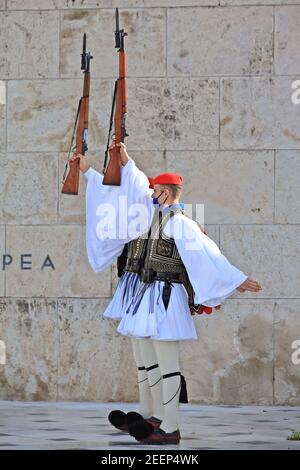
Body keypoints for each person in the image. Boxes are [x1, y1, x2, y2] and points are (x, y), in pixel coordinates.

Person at [70, 145, 262, 445]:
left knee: (166, 364)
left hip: (164, 298)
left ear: (166, 193)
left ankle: (170, 427)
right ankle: (151, 415)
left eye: (155, 191)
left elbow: (206, 255)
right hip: (141, 298)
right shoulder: (142, 219)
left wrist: (236, 279)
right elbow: (122, 194)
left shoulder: (179, 223)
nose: (148, 195)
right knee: (146, 361)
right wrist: (89, 171)